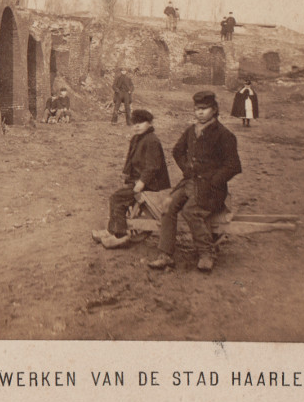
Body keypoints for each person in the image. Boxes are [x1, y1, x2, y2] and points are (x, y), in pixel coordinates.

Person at [148, 91, 242, 272]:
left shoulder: (224, 135)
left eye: (204, 109)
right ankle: (165, 255)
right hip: (189, 183)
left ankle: (207, 253)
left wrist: (214, 180)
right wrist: (187, 169)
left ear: (214, 110)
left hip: (212, 189)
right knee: (167, 206)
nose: (199, 113)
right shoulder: (191, 131)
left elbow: (233, 166)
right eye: (197, 109)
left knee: (190, 211)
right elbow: (177, 151)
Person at [94, 109, 171, 248]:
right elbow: (130, 159)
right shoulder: (137, 138)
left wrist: (141, 183)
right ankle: (111, 230)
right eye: (134, 123)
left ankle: (120, 235)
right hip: (137, 179)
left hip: (150, 182)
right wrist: (126, 174)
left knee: (117, 198)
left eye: (141, 123)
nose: (137, 126)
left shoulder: (152, 140)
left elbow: (153, 166)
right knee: (118, 196)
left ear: (149, 123)